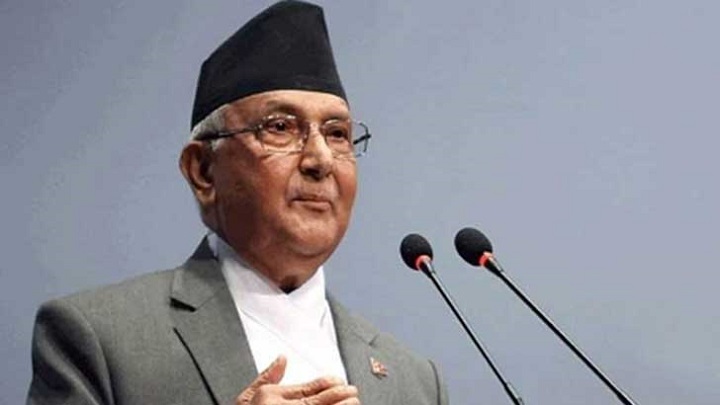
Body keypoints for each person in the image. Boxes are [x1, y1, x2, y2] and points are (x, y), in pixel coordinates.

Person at [27, 1, 448, 404]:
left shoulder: (414, 382)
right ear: (203, 171)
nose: (320, 159)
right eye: (280, 127)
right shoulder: (101, 339)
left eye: (337, 134)